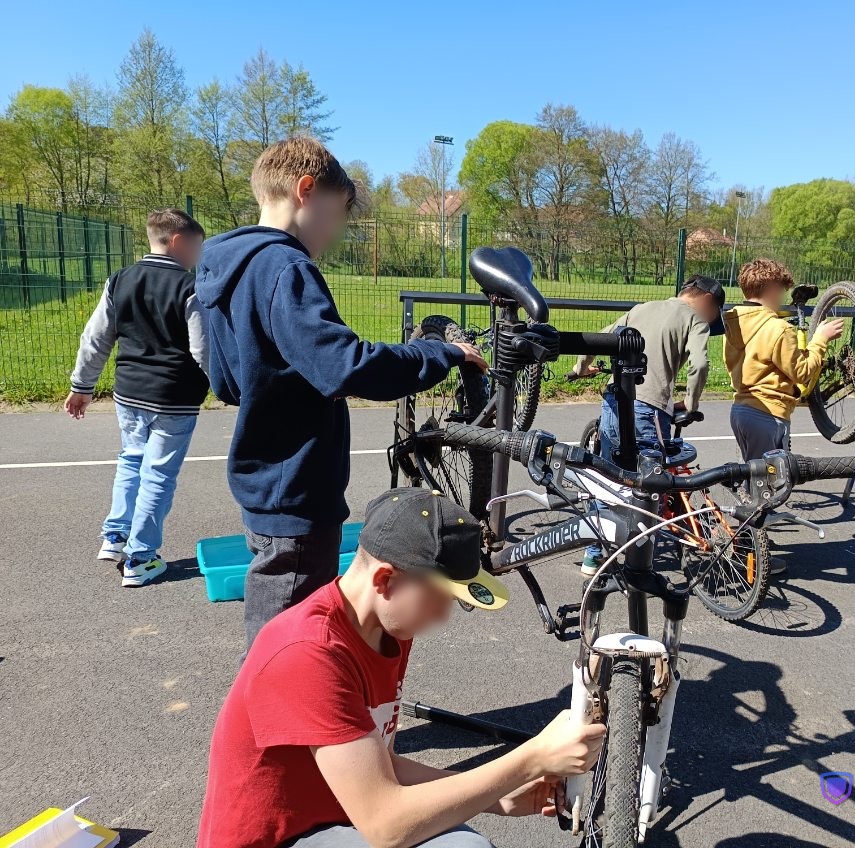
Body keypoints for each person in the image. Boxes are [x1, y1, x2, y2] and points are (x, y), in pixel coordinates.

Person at [194, 137, 487, 649]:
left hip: (265, 475)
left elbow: (227, 379)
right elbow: (347, 366)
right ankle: (282, 730)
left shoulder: (227, 265)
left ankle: (292, 723)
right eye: (337, 215)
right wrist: (441, 355)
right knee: (288, 644)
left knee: (282, 623)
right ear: (306, 191)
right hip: (297, 484)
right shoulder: (284, 268)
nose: (334, 232)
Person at [198, 488, 606, 848]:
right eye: (440, 597)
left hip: (332, 816)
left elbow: (383, 766)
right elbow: (387, 826)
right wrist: (531, 758)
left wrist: (498, 798)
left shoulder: (384, 628)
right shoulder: (308, 653)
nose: (445, 616)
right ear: (386, 581)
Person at [65, 208, 208, 587]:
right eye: (197, 246)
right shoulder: (190, 287)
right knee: (158, 475)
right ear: (178, 242)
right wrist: (233, 389)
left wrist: (82, 385)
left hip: (129, 394)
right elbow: (203, 350)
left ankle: (115, 536)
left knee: (131, 461)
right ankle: (141, 558)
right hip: (174, 398)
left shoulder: (120, 279)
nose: (198, 255)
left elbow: (96, 338)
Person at [571, 275, 724, 574]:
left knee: (607, 479)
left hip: (614, 403)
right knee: (650, 487)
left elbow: (598, 337)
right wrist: (691, 403)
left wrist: (581, 367)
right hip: (648, 408)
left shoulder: (640, 308)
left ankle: (594, 554)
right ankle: (640, 566)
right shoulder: (695, 319)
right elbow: (701, 364)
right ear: (708, 302)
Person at [725, 258, 844, 461]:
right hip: (767, 413)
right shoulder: (779, 328)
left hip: (740, 411)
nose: (782, 298)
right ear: (772, 290)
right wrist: (821, 339)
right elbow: (802, 372)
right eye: (781, 291)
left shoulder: (732, 321)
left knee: (755, 476)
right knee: (769, 484)